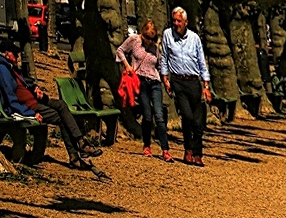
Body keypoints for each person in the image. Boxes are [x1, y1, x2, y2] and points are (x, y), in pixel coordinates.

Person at [0, 39, 101, 169]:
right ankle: (77, 150)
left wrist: (34, 87)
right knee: (60, 117)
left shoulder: (11, 68)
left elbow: (25, 84)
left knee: (61, 105)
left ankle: (79, 146)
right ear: (6, 53)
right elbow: (10, 98)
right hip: (28, 107)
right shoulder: (3, 70)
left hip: (34, 101)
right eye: (15, 53)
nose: (18, 56)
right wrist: (31, 114)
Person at [160, 7, 211, 167]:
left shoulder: (194, 38)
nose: (176, 24)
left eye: (179, 21)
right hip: (178, 81)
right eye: (174, 20)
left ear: (186, 22)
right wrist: (165, 79)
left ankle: (197, 153)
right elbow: (164, 57)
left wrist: (206, 84)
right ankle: (188, 148)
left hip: (193, 81)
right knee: (187, 116)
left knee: (197, 121)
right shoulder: (167, 35)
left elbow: (201, 61)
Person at [117, 20, 172, 162]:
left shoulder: (156, 47)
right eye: (147, 38)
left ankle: (165, 149)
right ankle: (146, 145)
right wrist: (128, 66)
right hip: (140, 81)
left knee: (159, 115)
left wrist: (166, 81)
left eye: (152, 38)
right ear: (143, 34)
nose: (149, 42)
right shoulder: (134, 40)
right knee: (147, 115)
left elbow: (160, 65)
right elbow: (120, 51)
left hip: (154, 81)